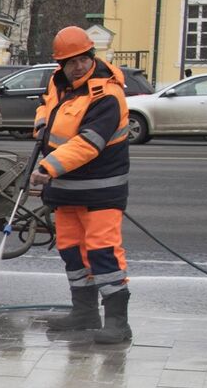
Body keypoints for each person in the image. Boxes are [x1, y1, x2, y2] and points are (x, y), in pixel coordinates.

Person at [28, 25, 132, 345]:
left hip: (100, 191)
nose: (77, 65)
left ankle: (118, 322)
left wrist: (48, 166)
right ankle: (84, 312)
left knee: (103, 253)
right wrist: (41, 122)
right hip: (66, 190)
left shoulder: (106, 95)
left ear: (92, 55)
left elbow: (89, 143)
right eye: (70, 61)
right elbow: (48, 104)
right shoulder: (60, 82)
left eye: (83, 58)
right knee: (72, 252)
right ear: (61, 63)